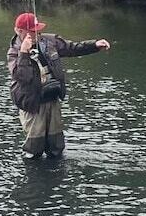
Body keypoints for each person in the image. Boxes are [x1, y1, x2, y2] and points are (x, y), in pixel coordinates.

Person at [6, 12, 111, 159]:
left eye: (38, 29)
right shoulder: (13, 53)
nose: (38, 33)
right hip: (33, 104)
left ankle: (57, 174)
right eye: (33, 31)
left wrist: (94, 45)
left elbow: (72, 48)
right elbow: (23, 77)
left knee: (56, 146)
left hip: (52, 98)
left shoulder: (50, 41)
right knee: (34, 150)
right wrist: (24, 53)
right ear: (20, 31)